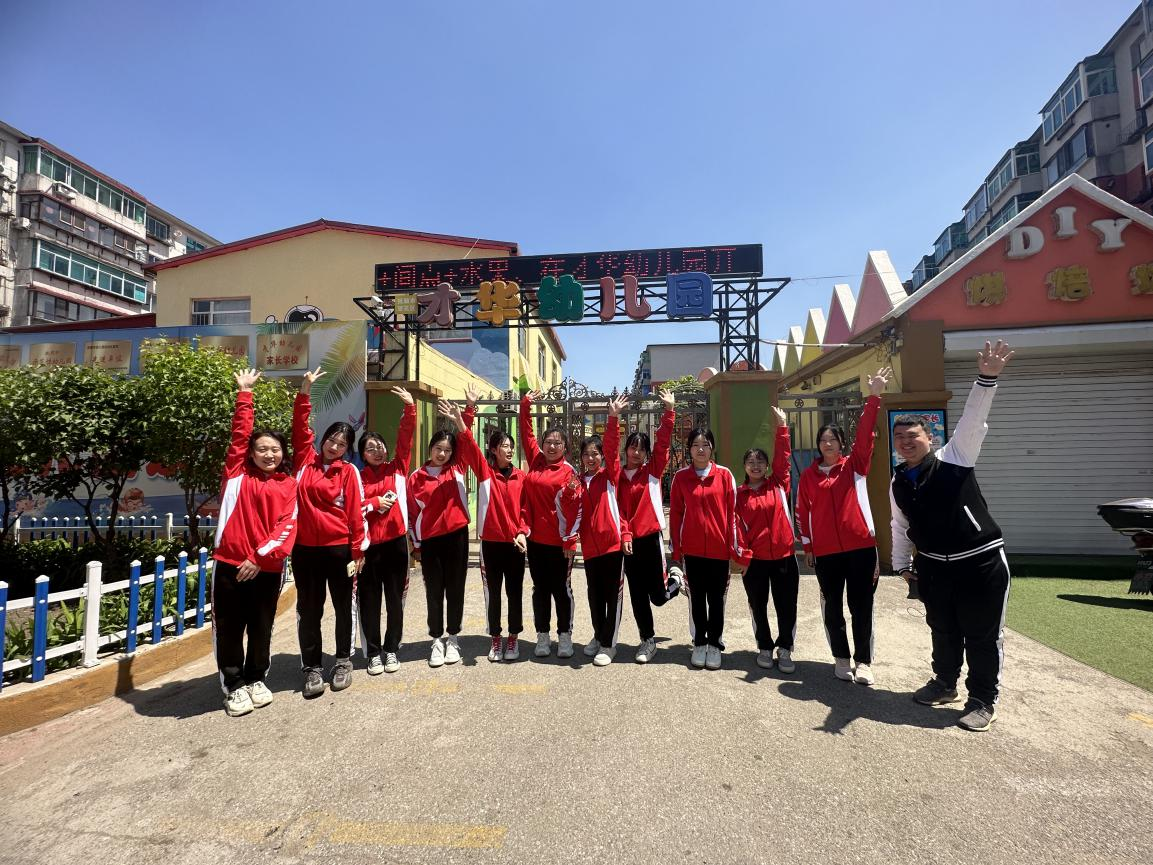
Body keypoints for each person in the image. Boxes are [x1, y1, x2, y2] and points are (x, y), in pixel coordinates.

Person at [891, 339, 1015, 733]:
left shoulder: (956, 456)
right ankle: (945, 683)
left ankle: (982, 699)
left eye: (913, 435)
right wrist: (901, 565)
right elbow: (900, 525)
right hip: (934, 568)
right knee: (943, 630)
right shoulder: (898, 481)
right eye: (900, 438)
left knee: (982, 635)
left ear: (929, 437)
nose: (906, 442)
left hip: (980, 564)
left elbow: (974, 419)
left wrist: (986, 379)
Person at [795, 366, 891, 685]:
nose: (828, 444)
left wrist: (873, 397)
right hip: (826, 553)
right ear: (818, 445)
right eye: (823, 440)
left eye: (833, 439)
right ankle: (841, 658)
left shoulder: (855, 466)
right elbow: (802, 513)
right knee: (833, 607)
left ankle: (863, 662)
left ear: (841, 443)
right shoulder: (809, 477)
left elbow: (865, 437)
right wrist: (808, 547)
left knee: (861, 606)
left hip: (860, 549)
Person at [211, 369, 298, 717]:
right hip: (230, 564)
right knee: (230, 629)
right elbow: (239, 435)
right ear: (250, 453)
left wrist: (259, 557)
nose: (269, 454)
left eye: (275, 449)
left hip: (267, 567)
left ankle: (256, 678)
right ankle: (233, 686)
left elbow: (287, 526)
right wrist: (244, 395)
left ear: (283, 453)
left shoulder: (288, 484)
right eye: (262, 449)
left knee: (262, 627)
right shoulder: (236, 474)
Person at [292, 367, 367, 699]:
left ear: (347, 449)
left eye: (341, 444)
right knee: (309, 609)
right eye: (331, 440)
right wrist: (305, 390)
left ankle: (342, 661)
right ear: (322, 440)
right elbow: (299, 428)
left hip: (339, 550)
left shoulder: (349, 472)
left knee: (342, 607)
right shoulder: (304, 462)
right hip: (305, 550)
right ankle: (311, 667)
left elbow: (355, 514)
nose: (334, 446)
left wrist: (358, 551)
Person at [441, 399, 528, 662]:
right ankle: (496, 638)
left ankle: (513, 638)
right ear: (493, 450)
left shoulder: (521, 477)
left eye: (511, 446)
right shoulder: (485, 473)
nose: (509, 450)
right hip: (491, 545)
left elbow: (526, 509)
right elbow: (468, 445)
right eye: (504, 446)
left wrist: (522, 531)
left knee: (515, 593)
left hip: (516, 545)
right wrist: (462, 418)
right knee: (493, 594)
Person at [407, 400, 481, 667]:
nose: (442, 454)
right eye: (438, 448)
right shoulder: (416, 477)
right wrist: (417, 545)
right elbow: (412, 515)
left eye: (447, 450)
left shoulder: (457, 467)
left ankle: (453, 638)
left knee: (456, 589)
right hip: (430, 542)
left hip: (457, 538)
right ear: (430, 448)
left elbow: (465, 439)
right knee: (434, 592)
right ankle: (436, 640)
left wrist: (468, 410)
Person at [560, 393, 632, 666]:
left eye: (595, 454)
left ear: (601, 457)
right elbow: (569, 512)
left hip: (612, 546)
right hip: (590, 549)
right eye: (586, 454)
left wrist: (613, 419)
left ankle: (609, 644)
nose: (590, 458)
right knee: (595, 596)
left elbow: (613, 450)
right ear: (580, 457)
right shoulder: (576, 481)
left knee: (612, 596)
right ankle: (598, 635)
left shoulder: (610, 476)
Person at [669, 427, 743, 671]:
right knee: (697, 599)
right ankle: (699, 642)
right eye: (695, 445)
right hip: (692, 552)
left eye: (705, 445)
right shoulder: (681, 478)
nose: (700, 449)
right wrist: (676, 550)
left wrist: (735, 549)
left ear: (712, 448)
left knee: (717, 600)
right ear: (689, 449)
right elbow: (676, 515)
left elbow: (733, 514)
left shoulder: (724, 475)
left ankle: (715, 644)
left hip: (719, 551)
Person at [617, 388, 680, 664]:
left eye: (642, 448)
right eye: (633, 447)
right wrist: (625, 533)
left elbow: (663, 444)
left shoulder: (652, 472)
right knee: (638, 595)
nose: (637, 452)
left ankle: (676, 581)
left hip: (651, 539)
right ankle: (647, 640)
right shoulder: (618, 477)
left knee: (658, 596)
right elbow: (619, 510)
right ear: (626, 449)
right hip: (628, 542)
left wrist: (669, 412)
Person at [734, 406, 799, 673]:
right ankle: (764, 646)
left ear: (767, 466)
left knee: (786, 606)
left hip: (784, 557)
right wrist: (743, 557)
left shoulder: (779, 485)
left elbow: (784, 458)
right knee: (758, 605)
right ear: (744, 467)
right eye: (751, 462)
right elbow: (736, 528)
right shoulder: (739, 495)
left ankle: (785, 648)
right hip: (756, 561)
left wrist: (782, 427)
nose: (756, 465)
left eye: (760, 461)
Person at [356, 386, 415, 675]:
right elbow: (352, 510)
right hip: (368, 549)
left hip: (395, 546)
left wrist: (410, 409)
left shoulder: (397, 469)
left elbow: (406, 439)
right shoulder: (356, 477)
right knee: (369, 602)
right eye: (370, 448)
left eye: (379, 446)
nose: (377, 451)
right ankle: (373, 653)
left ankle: (391, 649)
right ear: (362, 454)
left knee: (394, 600)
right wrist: (374, 503)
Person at [519, 390, 581, 659]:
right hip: (536, 542)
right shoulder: (536, 461)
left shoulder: (570, 473)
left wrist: (570, 541)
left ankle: (564, 635)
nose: (552, 446)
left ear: (565, 447)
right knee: (540, 590)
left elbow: (576, 510)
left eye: (557, 443)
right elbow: (526, 434)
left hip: (560, 545)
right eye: (548, 442)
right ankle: (542, 635)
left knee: (561, 590)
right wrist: (525, 404)